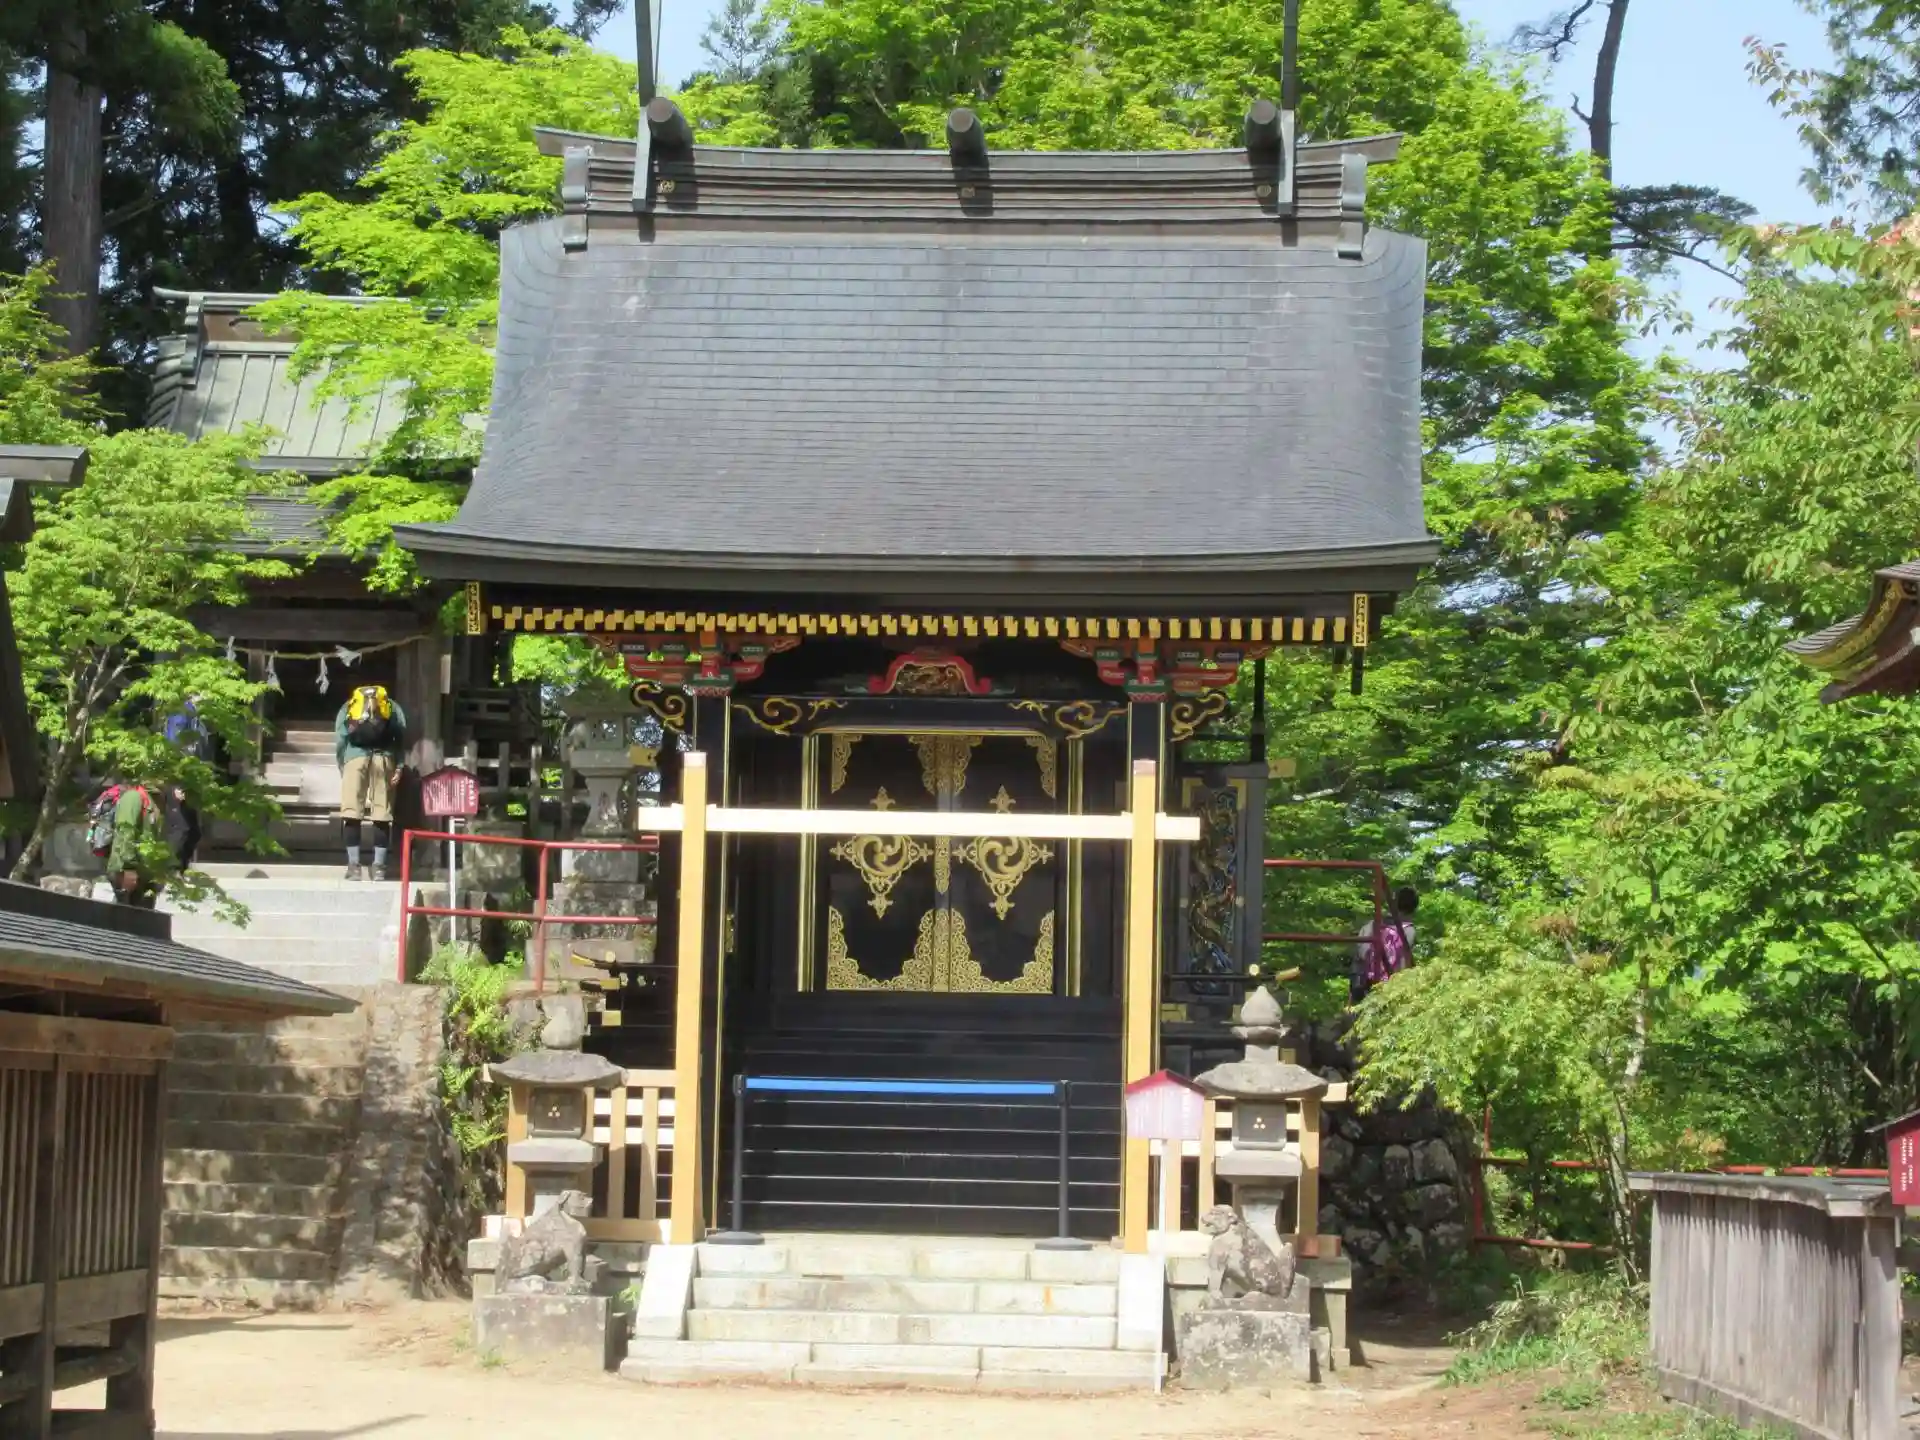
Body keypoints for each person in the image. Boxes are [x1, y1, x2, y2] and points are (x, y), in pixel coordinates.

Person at [336, 683, 408, 881]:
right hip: (383, 759)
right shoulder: (392, 707)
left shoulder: (349, 706)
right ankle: (379, 868)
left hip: (355, 758)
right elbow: (400, 738)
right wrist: (399, 765)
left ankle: (354, 867)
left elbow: (341, 738)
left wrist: (343, 763)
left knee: (351, 812)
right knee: (382, 813)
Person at [1352, 885, 1418, 1004]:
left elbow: (1359, 957)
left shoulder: (1370, 926)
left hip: (1366, 986)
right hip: (1391, 989)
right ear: (1413, 908)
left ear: (1393, 903)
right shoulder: (1409, 932)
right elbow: (1404, 963)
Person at [104, 781, 164, 908]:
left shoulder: (153, 800)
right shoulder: (134, 796)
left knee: (143, 916)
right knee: (126, 915)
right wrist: (129, 868)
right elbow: (126, 831)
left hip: (145, 873)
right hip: (128, 871)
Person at [163, 696, 207, 870]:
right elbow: (174, 746)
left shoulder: (196, 716)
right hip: (179, 777)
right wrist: (178, 782)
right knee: (182, 828)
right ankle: (170, 870)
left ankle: (179, 870)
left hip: (191, 778)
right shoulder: (182, 712)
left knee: (193, 831)